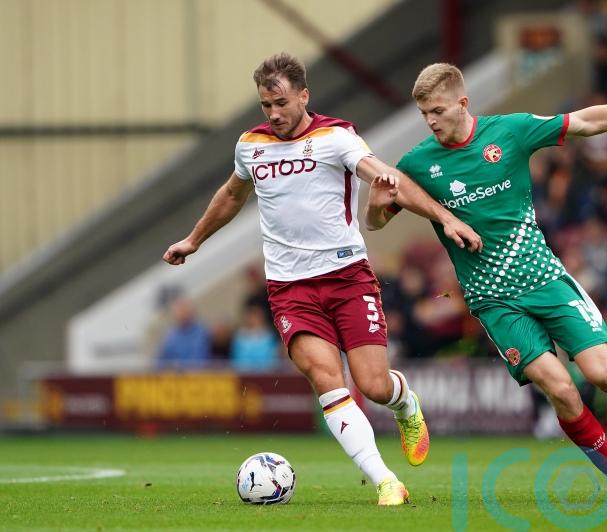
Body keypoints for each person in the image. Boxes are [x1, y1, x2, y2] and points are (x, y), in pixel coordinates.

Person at [367, 62, 607, 504]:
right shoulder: (417, 164)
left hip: (546, 279)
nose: (430, 121)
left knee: (601, 373)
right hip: (494, 302)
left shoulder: (510, 132)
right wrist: (374, 205)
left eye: (438, 111)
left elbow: (585, 122)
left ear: (462, 103)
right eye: (423, 113)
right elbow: (374, 223)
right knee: (560, 388)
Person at [162, 53, 482, 506]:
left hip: (347, 277)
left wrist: (442, 216)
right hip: (290, 290)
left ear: (304, 95)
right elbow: (233, 193)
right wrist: (194, 239)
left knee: (372, 385)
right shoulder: (250, 145)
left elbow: (380, 173)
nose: (272, 113)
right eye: (264, 105)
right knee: (328, 380)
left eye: (280, 102)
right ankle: (385, 481)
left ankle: (406, 403)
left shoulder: (337, 136)